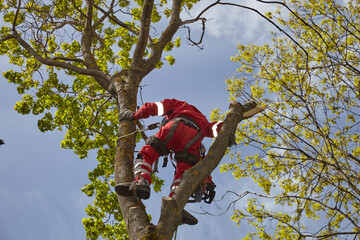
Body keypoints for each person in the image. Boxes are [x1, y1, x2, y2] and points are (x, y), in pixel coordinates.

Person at [115, 99, 235, 225]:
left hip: (174, 126)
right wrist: (226, 133)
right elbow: (216, 128)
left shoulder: (179, 105)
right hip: (194, 138)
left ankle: (141, 182)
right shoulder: (204, 121)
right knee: (183, 175)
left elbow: (156, 107)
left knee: (147, 154)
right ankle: (176, 203)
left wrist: (134, 115)